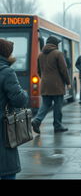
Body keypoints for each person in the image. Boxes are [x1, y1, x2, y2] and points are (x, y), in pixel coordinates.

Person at [0, 39, 29, 180]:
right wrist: (24, 93)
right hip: (3, 130)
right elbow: (19, 100)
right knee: (7, 171)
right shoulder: (6, 72)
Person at [31, 36, 71, 134]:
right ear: (55, 44)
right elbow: (64, 69)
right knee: (58, 106)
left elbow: (39, 71)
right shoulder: (58, 53)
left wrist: (45, 79)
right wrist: (68, 82)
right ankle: (57, 126)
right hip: (57, 85)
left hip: (45, 84)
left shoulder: (40, 55)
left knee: (45, 104)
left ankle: (37, 120)